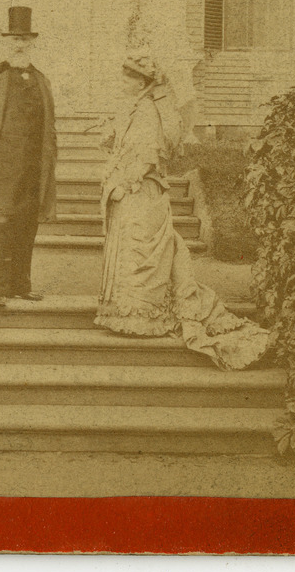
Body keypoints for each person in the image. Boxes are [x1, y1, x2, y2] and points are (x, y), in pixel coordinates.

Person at [95, 53, 270, 370]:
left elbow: (148, 155)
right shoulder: (132, 109)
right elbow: (124, 147)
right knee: (130, 250)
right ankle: (125, 314)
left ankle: (142, 318)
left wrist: (127, 183)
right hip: (130, 192)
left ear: (141, 83)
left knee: (140, 250)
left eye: (126, 78)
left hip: (142, 191)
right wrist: (110, 137)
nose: (121, 82)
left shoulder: (148, 111)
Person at [0, 6, 58, 308]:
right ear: (6, 42)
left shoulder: (42, 80)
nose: (19, 45)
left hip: (33, 167)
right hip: (2, 166)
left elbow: (49, 127)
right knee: (2, 224)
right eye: (14, 39)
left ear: (32, 43)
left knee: (28, 224)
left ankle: (21, 284)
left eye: (25, 40)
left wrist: (50, 161)